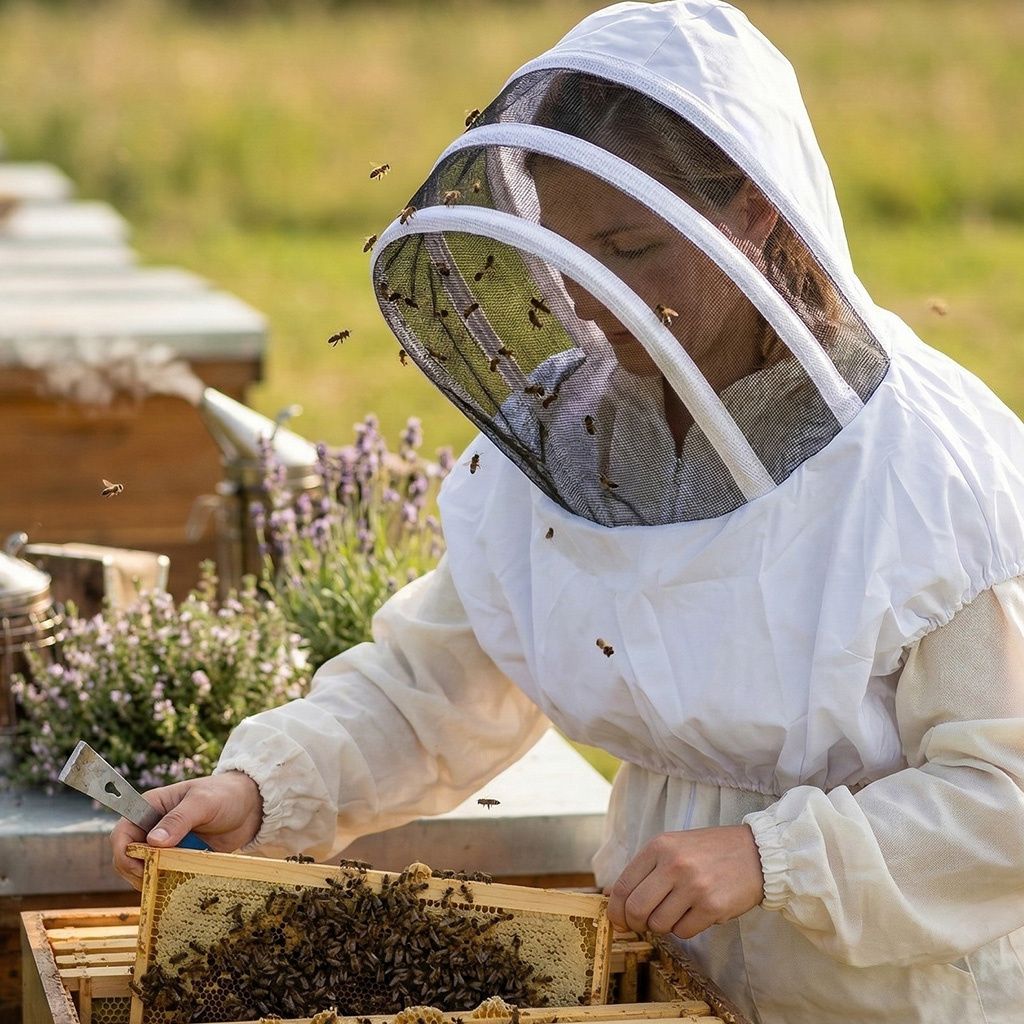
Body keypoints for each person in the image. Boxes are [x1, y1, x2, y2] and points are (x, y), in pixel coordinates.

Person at [112, 3, 1024, 1021]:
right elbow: (437, 685)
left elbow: (1005, 798)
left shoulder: (931, 472)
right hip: (665, 961)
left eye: (629, 247)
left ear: (756, 212)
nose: (590, 299)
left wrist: (774, 857)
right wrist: (262, 788)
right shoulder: (576, 425)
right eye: (565, 253)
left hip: (888, 990)